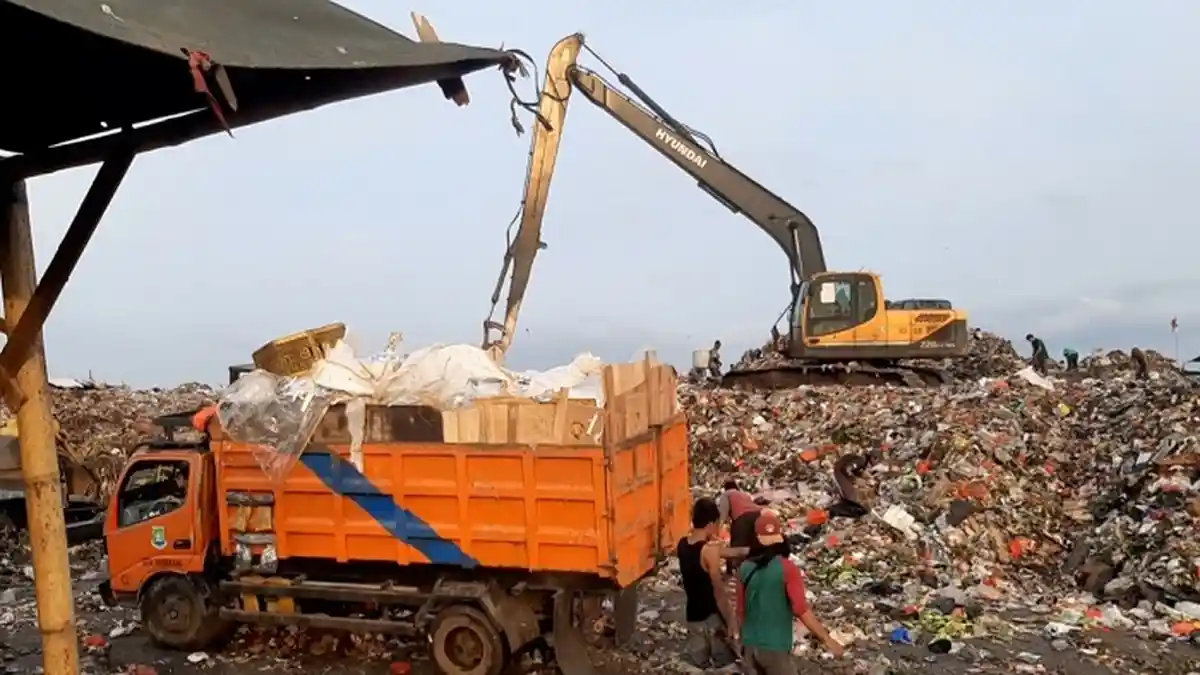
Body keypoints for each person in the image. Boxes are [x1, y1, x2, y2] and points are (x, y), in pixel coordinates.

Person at [737, 510, 843, 675]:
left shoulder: (744, 567)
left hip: (750, 645)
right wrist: (827, 639)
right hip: (774, 647)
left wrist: (742, 642)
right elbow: (801, 609)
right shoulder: (787, 568)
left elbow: (740, 611)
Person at [677, 498, 736, 669]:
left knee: (698, 665)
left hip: (693, 617)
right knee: (725, 665)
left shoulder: (682, 545)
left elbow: (724, 552)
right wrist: (731, 621)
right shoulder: (708, 551)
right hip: (711, 619)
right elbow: (719, 592)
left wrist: (750, 551)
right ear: (711, 523)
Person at [718, 480, 759, 574]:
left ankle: (733, 571)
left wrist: (717, 530)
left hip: (742, 518)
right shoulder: (744, 494)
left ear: (726, 488)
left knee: (737, 547)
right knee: (753, 546)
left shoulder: (726, 495)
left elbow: (723, 514)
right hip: (758, 516)